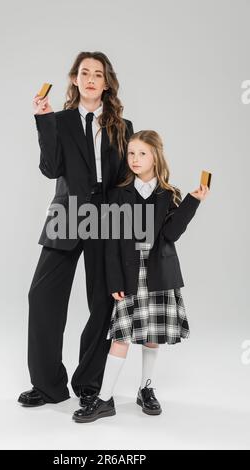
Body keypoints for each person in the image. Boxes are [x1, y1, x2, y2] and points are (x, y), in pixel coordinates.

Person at [18, 51, 134, 408]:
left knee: (103, 302)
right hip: (67, 213)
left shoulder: (122, 126)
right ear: (74, 79)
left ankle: (89, 385)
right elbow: (51, 169)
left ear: (106, 82)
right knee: (42, 297)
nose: (90, 79)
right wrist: (43, 121)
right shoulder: (61, 120)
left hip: (107, 216)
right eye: (84, 72)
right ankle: (48, 385)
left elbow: (125, 179)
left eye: (97, 74)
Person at [72, 130, 210, 423]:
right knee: (120, 336)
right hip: (128, 273)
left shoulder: (168, 193)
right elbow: (111, 243)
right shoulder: (118, 193)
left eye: (142, 154)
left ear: (155, 157)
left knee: (152, 337)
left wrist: (192, 201)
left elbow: (171, 234)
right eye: (131, 153)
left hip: (159, 272)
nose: (134, 159)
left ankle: (146, 390)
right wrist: (114, 281)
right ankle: (104, 399)